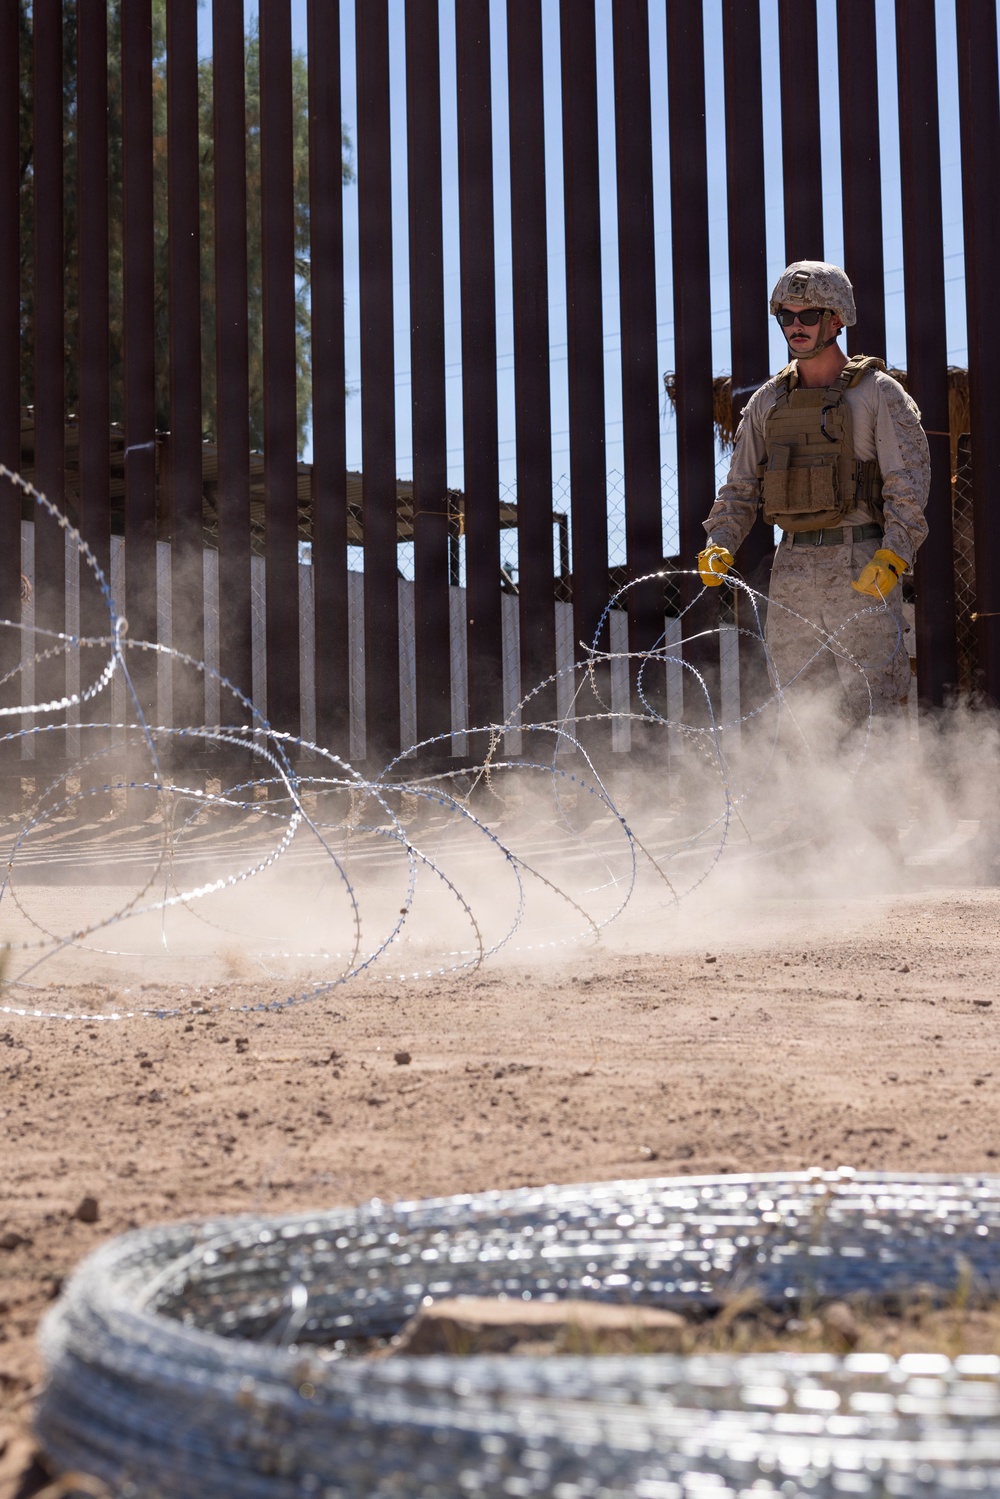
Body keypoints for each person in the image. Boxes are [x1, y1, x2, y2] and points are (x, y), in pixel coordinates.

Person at [696, 260, 929, 724]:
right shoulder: (767, 401)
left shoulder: (878, 394)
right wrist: (719, 542)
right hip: (793, 568)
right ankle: (813, 797)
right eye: (786, 315)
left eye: (808, 315)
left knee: (875, 705)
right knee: (803, 709)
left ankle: (884, 795)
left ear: (836, 319)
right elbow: (740, 487)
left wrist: (894, 553)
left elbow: (909, 481)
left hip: (860, 561)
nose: (795, 326)